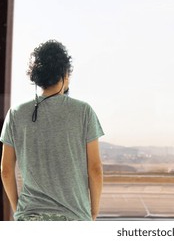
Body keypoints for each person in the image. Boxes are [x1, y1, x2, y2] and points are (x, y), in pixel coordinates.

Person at [0, 40, 104, 221]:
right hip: (75, 218)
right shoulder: (84, 111)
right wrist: (92, 212)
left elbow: (6, 170)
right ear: (65, 73)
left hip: (29, 219)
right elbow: (95, 169)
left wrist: (20, 211)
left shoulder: (15, 114)